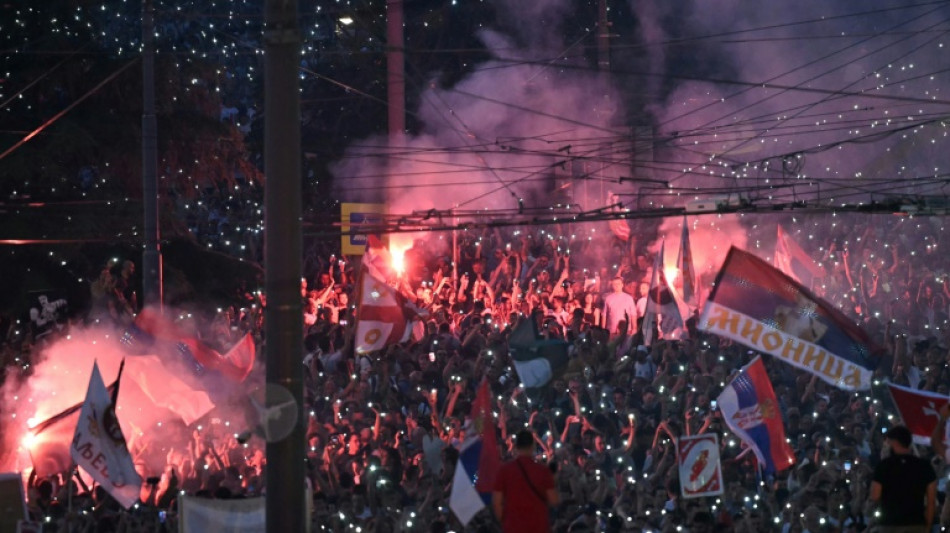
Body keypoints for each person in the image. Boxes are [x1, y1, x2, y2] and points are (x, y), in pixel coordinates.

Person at [868, 425, 936, 532]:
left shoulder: (883, 466)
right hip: (915, 525)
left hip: (889, 526)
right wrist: (927, 527)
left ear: (894, 442)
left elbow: (875, 496)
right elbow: (931, 501)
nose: (886, 445)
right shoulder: (924, 466)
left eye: (887, 442)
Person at [492, 429, 559, 533]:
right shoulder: (543, 471)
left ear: (516, 446)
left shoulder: (504, 471)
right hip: (538, 526)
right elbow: (554, 500)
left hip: (513, 527)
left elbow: (497, 502)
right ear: (533, 446)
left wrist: (505, 521)